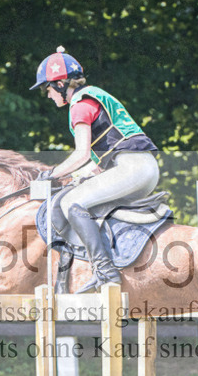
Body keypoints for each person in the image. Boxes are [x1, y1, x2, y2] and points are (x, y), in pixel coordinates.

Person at [31, 46, 160, 293]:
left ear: (60, 84)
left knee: (71, 204)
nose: (48, 95)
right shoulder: (94, 96)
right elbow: (94, 164)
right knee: (85, 199)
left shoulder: (79, 104)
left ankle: (104, 272)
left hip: (132, 168)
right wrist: (73, 177)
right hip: (139, 168)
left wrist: (52, 173)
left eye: (47, 89)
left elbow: (80, 154)